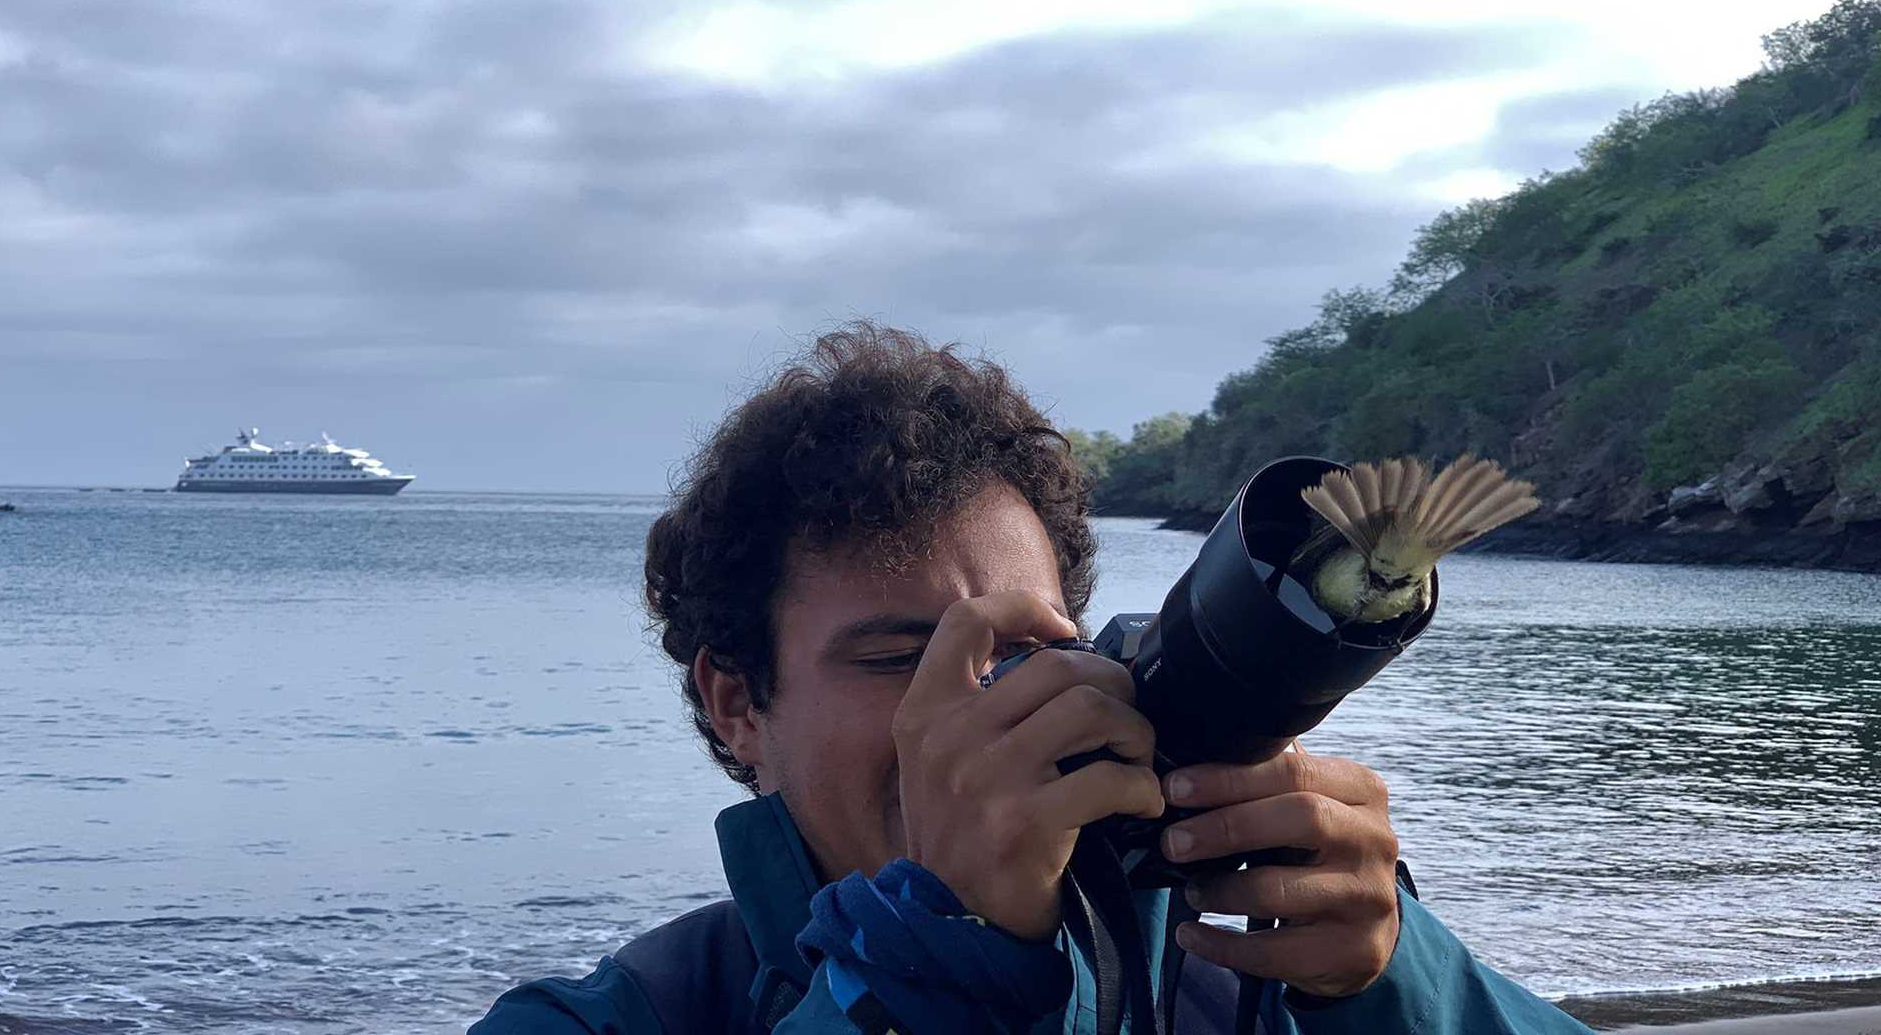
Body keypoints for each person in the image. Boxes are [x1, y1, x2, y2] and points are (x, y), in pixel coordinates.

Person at [472, 324, 1590, 1034]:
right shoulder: (626, 1018)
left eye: (1026, 650)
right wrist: (930, 961)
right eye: (897, 656)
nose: (984, 706)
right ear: (738, 704)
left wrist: (1398, 984)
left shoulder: (1249, 962)